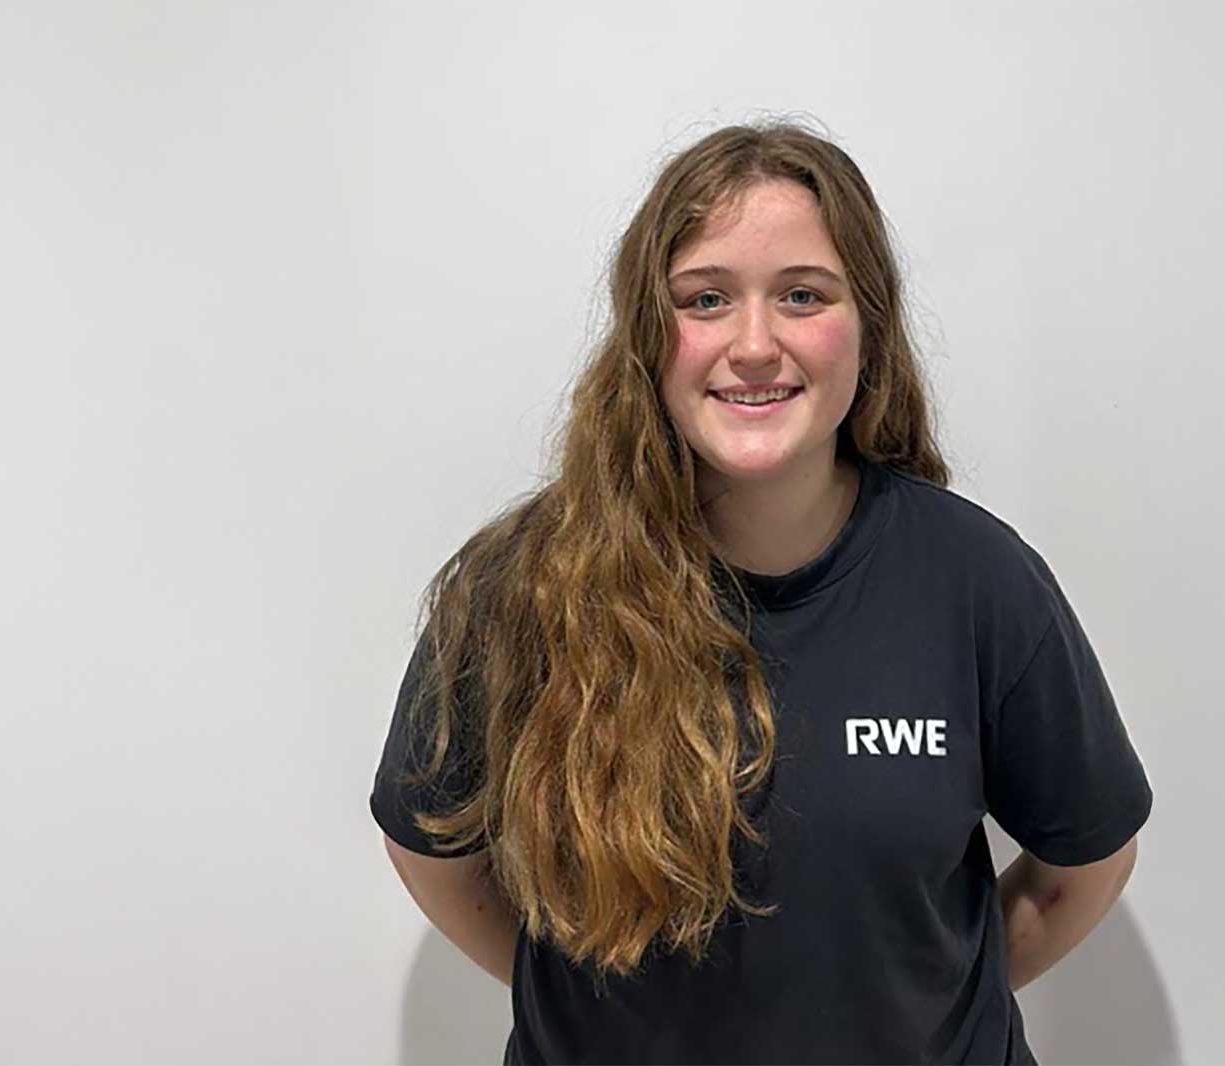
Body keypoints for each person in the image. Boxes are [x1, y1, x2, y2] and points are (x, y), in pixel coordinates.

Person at [369, 118, 1153, 1066]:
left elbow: (1081, 868)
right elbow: (435, 855)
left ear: (868, 323)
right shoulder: (521, 589)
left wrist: (928, 1003)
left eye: (802, 295)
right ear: (648, 333)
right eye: (705, 299)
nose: (753, 344)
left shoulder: (978, 580)